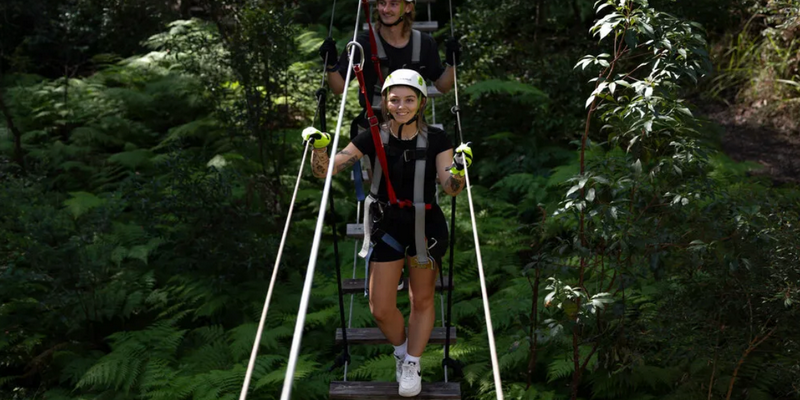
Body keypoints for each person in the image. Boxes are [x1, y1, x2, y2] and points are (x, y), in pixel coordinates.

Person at [301, 69, 472, 397]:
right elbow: (326, 170)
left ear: (421, 103)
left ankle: (412, 361)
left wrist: (460, 169)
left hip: (425, 227)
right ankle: (400, 350)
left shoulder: (437, 139)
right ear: (385, 102)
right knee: (380, 307)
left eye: (409, 99)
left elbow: (450, 188)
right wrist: (320, 148)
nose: (402, 105)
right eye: (395, 99)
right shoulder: (373, 135)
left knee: (421, 299)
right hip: (387, 225)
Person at [318, 0, 461, 133]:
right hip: (372, 129)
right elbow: (338, 88)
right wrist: (331, 64)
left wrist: (451, 63)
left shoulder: (424, 43)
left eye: (393, 4)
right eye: (382, 3)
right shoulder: (362, 43)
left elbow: (443, 86)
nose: (386, 9)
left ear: (408, 7)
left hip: (412, 131)